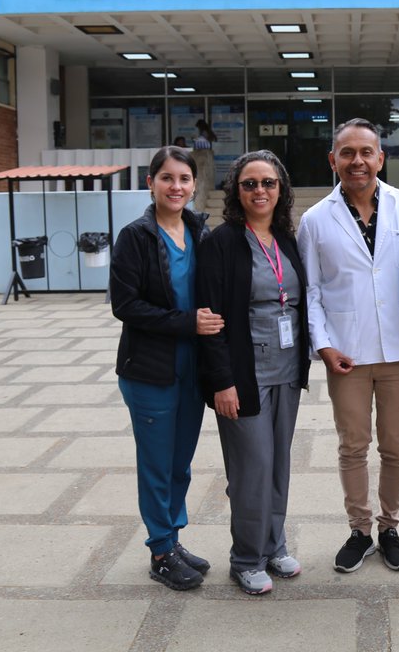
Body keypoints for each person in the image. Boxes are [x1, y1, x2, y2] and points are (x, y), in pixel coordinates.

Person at [297, 118, 399, 573]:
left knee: (396, 446)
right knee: (352, 446)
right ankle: (359, 529)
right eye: (347, 153)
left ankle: (390, 527)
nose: (358, 161)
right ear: (333, 160)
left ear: (380, 157)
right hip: (346, 355)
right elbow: (309, 292)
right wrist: (324, 346)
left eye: (366, 152)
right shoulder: (315, 220)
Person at [110, 145, 224, 591]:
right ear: (151, 183)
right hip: (149, 371)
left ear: (195, 185)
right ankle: (160, 550)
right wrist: (187, 322)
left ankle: (172, 539)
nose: (176, 187)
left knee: (180, 464)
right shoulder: (135, 236)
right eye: (167, 178)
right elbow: (126, 305)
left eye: (184, 179)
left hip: (191, 369)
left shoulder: (199, 229)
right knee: (157, 464)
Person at [197, 150, 311, 596]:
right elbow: (211, 319)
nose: (259, 191)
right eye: (249, 184)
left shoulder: (286, 238)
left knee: (279, 463)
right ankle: (245, 558)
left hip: (286, 369)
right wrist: (221, 381)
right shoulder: (222, 242)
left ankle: (273, 545)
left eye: (268, 183)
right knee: (252, 467)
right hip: (243, 374)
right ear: (235, 191)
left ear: (280, 189)